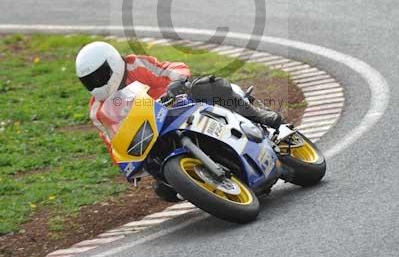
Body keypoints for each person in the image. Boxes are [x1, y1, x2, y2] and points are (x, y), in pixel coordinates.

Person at [76, 41, 283, 200]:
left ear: (113, 63)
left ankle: (256, 115)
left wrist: (177, 81)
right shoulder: (97, 110)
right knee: (163, 190)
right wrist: (129, 168)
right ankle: (204, 184)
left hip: (177, 106)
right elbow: (112, 143)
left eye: (100, 76)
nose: (96, 84)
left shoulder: (135, 65)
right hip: (152, 136)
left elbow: (168, 68)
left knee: (209, 86)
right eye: (89, 81)